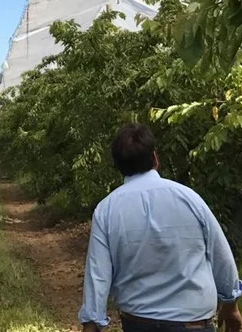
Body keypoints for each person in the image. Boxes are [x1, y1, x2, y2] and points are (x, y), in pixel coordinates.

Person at [79, 123, 242, 332]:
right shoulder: (190, 199)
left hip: (138, 324)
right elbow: (221, 255)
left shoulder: (106, 210)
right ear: (155, 158)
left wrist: (91, 325)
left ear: (118, 166)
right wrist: (230, 306)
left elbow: (98, 274)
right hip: (193, 324)